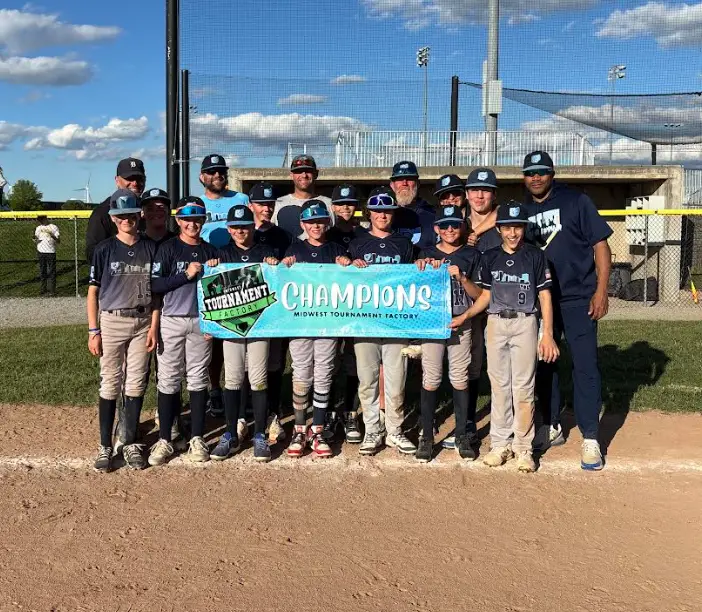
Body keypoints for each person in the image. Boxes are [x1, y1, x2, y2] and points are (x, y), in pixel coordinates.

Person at [522, 151, 613, 471]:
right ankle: (550, 424)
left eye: (542, 172)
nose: (536, 177)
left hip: (578, 297)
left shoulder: (576, 201)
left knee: (585, 366)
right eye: (530, 173)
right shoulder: (523, 210)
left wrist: (601, 290)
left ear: (552, 173)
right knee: (544, 364)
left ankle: (590, 437)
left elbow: (601, 245)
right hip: (541, 300)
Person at [456, 202, 559, 473]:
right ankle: (500, 444)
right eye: (507, 227)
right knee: (499, 385)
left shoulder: (535, 255)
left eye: (518, 227)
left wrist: (547, 333)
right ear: (499, 229)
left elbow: (545, 296)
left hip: (525, 321)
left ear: (524, 228)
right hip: (496, 322)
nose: (513, 233)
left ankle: (523, 447)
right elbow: (485, 296)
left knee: (523, 386)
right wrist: (466, 316)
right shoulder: (490, 257)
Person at [349, 187, 429, 457]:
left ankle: (395, 430)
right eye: (377, 211)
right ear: (369, 213)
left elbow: (414, 279)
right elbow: (344, 278)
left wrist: (422, 265)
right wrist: (348, 265)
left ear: (393, 213)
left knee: (397, 380)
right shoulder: (357, 242)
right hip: (365, 322)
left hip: (396, 321)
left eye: (387, 211)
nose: (382, 215)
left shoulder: (404, 244)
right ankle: (372, 429)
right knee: (367, 379)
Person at [87, 189, 159, 473]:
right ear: (113, 218)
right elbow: (93, 293)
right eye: (121, 215)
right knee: (110, 382)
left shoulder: (149, 247)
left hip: (143, 321)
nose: (126, 219)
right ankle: (105, 444)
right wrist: (94, 330)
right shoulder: (104, 249)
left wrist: (154, 326)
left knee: (136, 383)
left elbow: (157, 293)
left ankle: (128, 441)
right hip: (112, 320)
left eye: (130, 214)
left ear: (138, 215)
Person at [148, 197, 219, 466]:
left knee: (198, 379)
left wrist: (214, 322)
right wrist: (185, 275)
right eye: (187, 219)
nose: (192, 224)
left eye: (197, 219)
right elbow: (155, 286)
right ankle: (165, 438)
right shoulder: (168, 248)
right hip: (172, 319)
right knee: (168, 379)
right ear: (178, 220)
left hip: (201, 321)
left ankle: (197, 437)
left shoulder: (211, 251)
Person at [282, 200, 351, 458]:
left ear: (328, 223)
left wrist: (347, 265)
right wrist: (283, 265)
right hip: (299, 322)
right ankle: (300, 429)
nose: (316, 226)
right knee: (301, 373)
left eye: (320, 221)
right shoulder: (295, 249)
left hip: (327, 322)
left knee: (323, 372)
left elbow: (350, 282)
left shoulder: (336, 249)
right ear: (302, 224)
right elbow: (281, 279)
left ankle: (318, 429)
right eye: (310, 222)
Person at [210, 205, 279, 463]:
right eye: (236, 227)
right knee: (233, 378)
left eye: (245, 226)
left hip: (260, 324)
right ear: (229, 229)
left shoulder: (265, 252)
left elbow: (277, 282)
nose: (240, 231)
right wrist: (212, 267)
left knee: (258, 378)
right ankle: (230, 433)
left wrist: (274, 266)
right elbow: (211, 288)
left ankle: (259, 434)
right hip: (232, 325)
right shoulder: (222, 253)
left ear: (253, 227)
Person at [440, 167, 502, 452]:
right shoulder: (457, 224)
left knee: (499, 370)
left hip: (500, 305)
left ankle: (504, 426)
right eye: (474, 190)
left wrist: (476, 231)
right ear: (466, 195)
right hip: (471, 308)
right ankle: (466, 426)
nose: (479, 195)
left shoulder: (497, 220)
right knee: (470, 367)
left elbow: (501, 215)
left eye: (485, 190)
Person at [416, 205, 482, 462]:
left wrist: (463, 278)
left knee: (459, 377)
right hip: (432, 324)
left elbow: (480, 295)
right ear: (437, 228)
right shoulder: (426, 253)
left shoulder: (472, 254)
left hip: (461, 321)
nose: (450, 230)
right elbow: (413, 288)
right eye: (445, 225)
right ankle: (426, 436)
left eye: (455, 224)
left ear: (462, 227)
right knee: (431, 377)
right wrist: (420, 268)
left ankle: (462, 435)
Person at [198, 154, 250, 419]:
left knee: (241, 333)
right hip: (209, 274)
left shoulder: (240, 199)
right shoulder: (197, 203)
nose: (217, 175)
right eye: (211, 171)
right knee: (213, 340)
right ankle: (215, 389)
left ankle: (244, 391)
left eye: (221, 171)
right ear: (202, 177)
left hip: (239, 272)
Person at [248, 181, 292, 443]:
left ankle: (273, 412)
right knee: (247, 365)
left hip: (275, 309)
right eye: (261, 204)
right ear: (251, 205)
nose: (266, 208)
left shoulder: (283, 236)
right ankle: (246, 413)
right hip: (248, 309)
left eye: (270, 204)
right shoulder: (241, 231)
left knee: (274, 363)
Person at [327, 183, 364, 442]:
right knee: (329, 361)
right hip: (328, 308)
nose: (345, 208)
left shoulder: (363, 235)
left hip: (357, 308)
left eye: (350, 204)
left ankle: (350, 411)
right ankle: (330, 412)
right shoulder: (325, 235)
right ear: (333, 207)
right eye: (340, 204)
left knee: (352, 362)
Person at [86, 158, 146, 262]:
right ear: (117, 180)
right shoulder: (102, 212)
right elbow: (92, 253)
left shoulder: (150, 209)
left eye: (139, 178)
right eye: (129, 178)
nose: (135, 183)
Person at [273, 154, 334, 238]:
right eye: (298, 171)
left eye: (308, 171)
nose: (304, 175)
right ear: (291, 175)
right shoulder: (277, 204)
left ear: (316, 174)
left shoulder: (329, 204)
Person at [389, 160, 435, 250]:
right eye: (399, 179)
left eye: (409, 179)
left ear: (418, 183)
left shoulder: (432, 214)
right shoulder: (385, 215)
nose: (404, 183)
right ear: (392, 185)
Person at [34, 215, 60, 296]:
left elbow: (58, 241)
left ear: (46, 218)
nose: (41, 221)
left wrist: (52, 236)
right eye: (39, 220)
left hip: (51, 251)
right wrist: (35, 240)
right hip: (41, 251)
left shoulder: (53, 227)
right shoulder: (38, 228)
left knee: (52, 271)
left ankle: (52, 290)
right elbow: (36, 238)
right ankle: (43, 288)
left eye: (42, 219)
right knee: (43, 271)